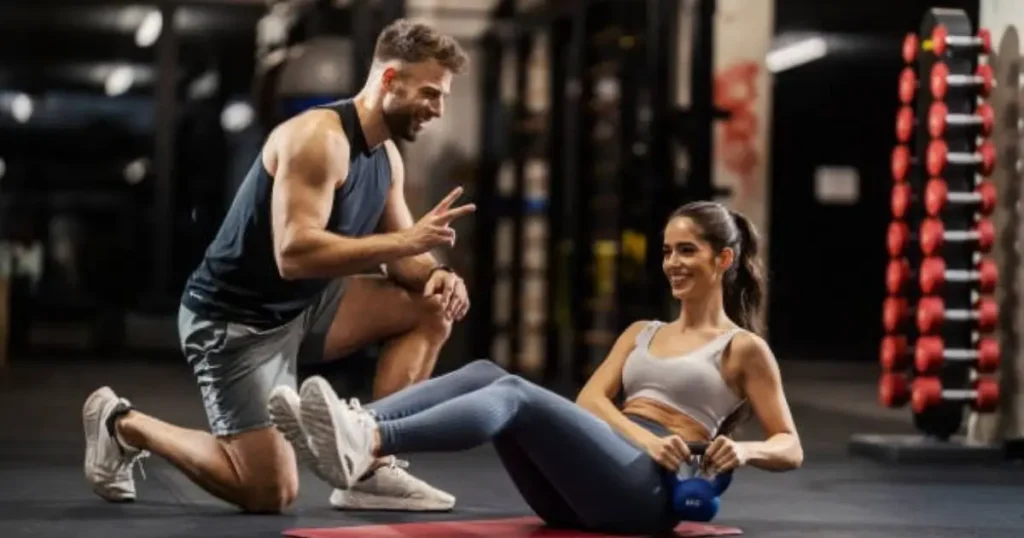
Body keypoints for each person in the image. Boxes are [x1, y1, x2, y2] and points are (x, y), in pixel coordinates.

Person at [81, 19, 475, 514]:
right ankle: (122, 423)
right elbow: (294, 255)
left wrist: (437, 273)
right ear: (390, 80)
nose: (437, 110)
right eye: (431, 94)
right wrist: (405, 240)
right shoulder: (318, 138)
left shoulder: (386, 158)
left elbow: (404, 256)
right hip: (234, 322)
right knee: (270, 493)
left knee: (431, 305)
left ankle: (371, 464)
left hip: (305, 307)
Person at [282, 201, 804, 534]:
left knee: (513, 395)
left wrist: (745, 449)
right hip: (593, 482)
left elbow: (790, 445)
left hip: (649, 493)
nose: (672, 262)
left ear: (725, 260)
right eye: (667, 251)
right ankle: (354, 425)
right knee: (487, 371)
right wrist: (639, 437)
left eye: (687, 250)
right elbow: (590, 403)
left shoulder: (742, 348)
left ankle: (370, 440)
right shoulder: (642, 331)